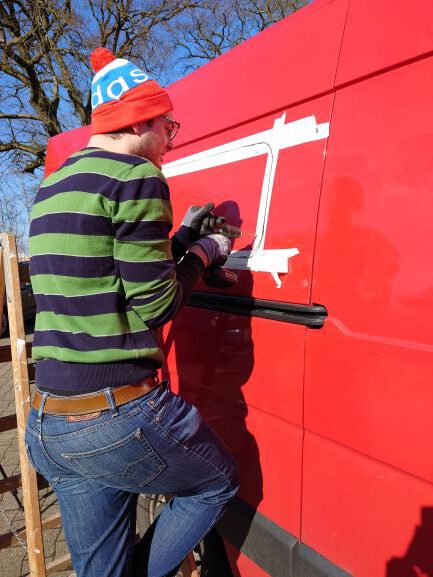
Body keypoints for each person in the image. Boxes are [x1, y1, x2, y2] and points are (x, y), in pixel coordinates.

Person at [25, 47, 239, 577]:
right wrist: (208, 251)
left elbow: (103, 271)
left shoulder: (54, 185)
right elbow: (157, 302)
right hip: (114, 416)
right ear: (140, 119)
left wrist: (182, 237)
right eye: (169, 125)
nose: (171, 139)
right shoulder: (136, 177)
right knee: (216, 482)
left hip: (50, 419)